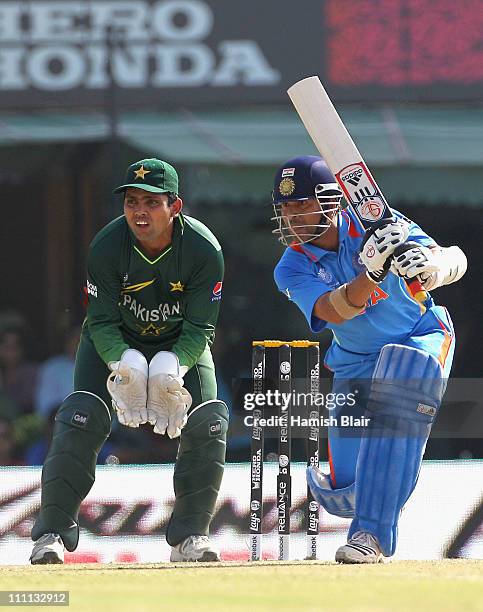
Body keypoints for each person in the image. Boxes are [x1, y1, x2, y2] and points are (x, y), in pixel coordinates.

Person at [30, 158, 228, 564]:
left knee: (209, 421)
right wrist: (126, 361)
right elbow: (100, 320)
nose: (140, 212)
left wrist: (174, 365)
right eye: (132, 201)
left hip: (179, 343)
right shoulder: (106, 246)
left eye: (152, 202)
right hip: (114, 342)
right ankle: (50, 533)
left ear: (176, 206)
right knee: (80, 416)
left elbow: (200, 326)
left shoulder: (204, 250)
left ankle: (191, 537)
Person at [272, 156, 467, 563]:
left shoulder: (377, 221)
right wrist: (372, 275)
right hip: (356, 362)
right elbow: (332, 310)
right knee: (350, 490)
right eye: (286, 208)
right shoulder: (291, 266)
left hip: (420, 337)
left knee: (397, 401)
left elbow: (453, 257)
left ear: (330, 201)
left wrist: (432, 268)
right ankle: (362, 506)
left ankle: (369, 538)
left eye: (302, 204)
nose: (293, 217)